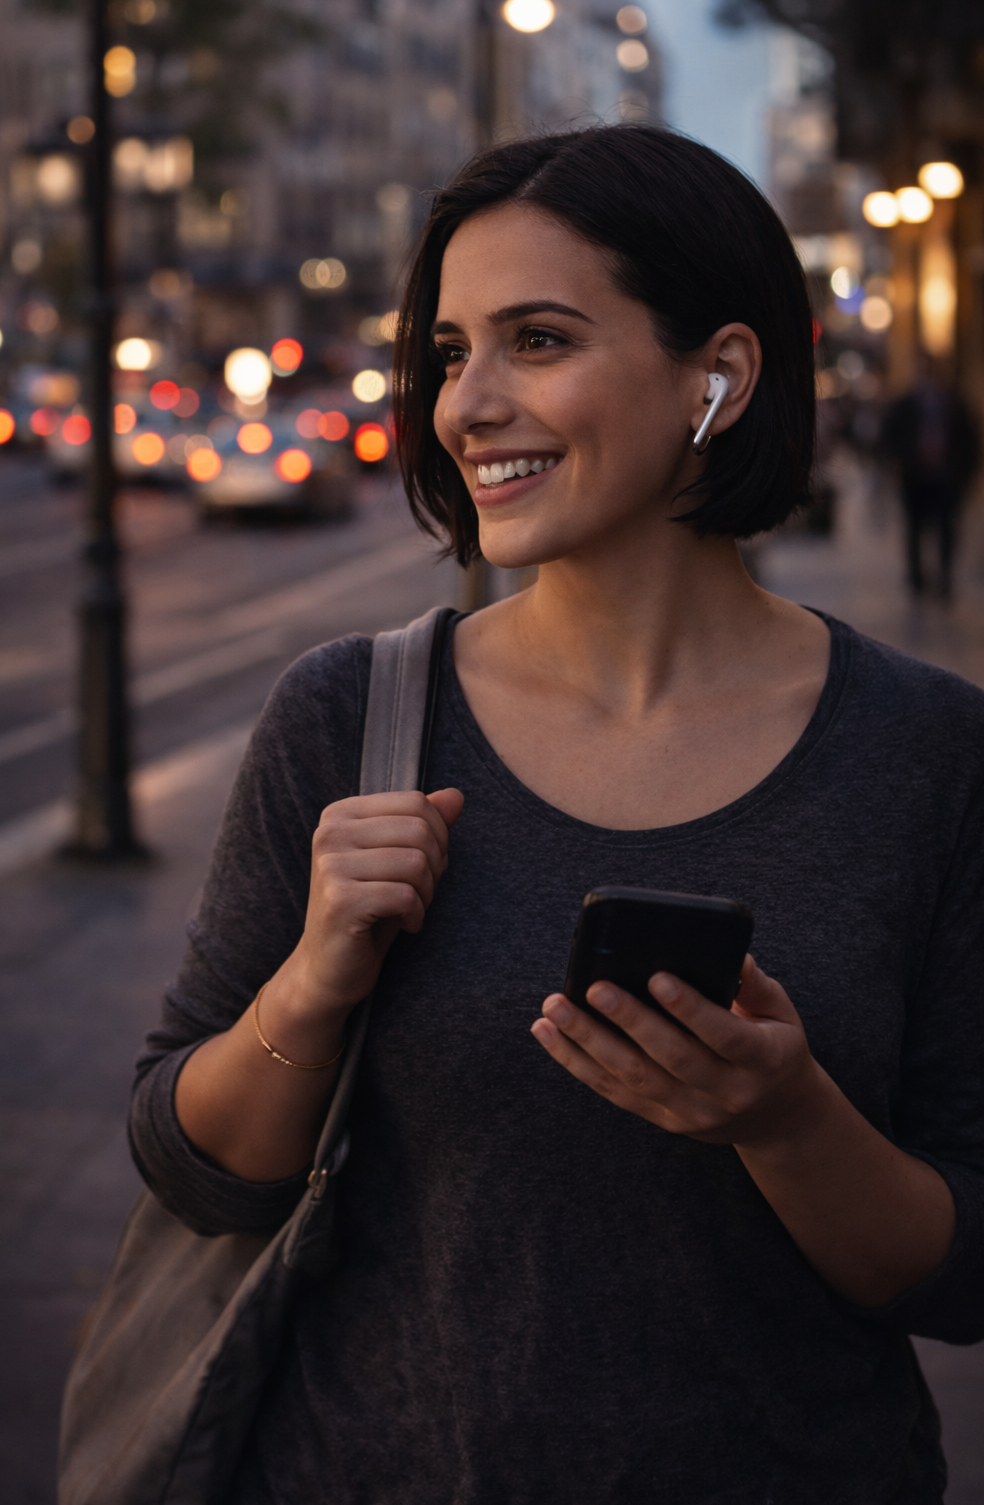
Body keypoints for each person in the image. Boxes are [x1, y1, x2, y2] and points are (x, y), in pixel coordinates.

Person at [130, 129, 984, 1504]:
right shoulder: (349, 718)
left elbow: (960, 1268)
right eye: (450, 353)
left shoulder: (934, 754)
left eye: (536, 339)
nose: (465, 405)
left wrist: (786, 1120)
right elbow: (195, 1167)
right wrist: (312, 983)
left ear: (720, 375)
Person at [881, 355, 979, 597]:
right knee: (914, 528)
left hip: (946, 476)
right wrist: (900, 462)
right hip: (915, 476)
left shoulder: (955, 402)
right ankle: (917, 579)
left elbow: (970, 439)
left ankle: (944, 577)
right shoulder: (905, 403)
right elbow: (890, 436)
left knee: (947, 527)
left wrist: (966, 473)